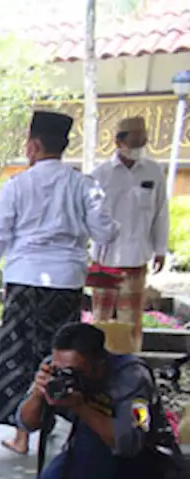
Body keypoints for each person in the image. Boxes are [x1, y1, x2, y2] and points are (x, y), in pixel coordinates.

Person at [0, 110, 118, 456]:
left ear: (34, 146)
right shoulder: (84, 185)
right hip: (66, 282)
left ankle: (22, 436)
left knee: (19, 356)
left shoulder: (17, 185)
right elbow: (107, 231)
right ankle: (62, 430)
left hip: (24, 280)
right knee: (63, 357)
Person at [11, 322, 174, 479]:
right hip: (87, 458)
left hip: (143, 462)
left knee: (91, 431)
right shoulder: (53, 368)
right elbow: (26, 424)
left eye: (75, 372)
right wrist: (38, 395)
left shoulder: (135, 378)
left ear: (100, 363)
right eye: (61, 369)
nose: (66, 376)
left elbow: (132, 441)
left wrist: (81, 407)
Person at [89, 115, 170, 352]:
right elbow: (90, 216)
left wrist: (160, 249)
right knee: (101, 319)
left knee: (130, 321)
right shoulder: (100, 174)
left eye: (141, 144)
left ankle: (129, 366)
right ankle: (98, 366)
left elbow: (160, 214)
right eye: (133, 143)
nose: (137, 149)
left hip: (136, 257)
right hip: (105, 258)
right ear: (118, 142)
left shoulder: (153, 172)